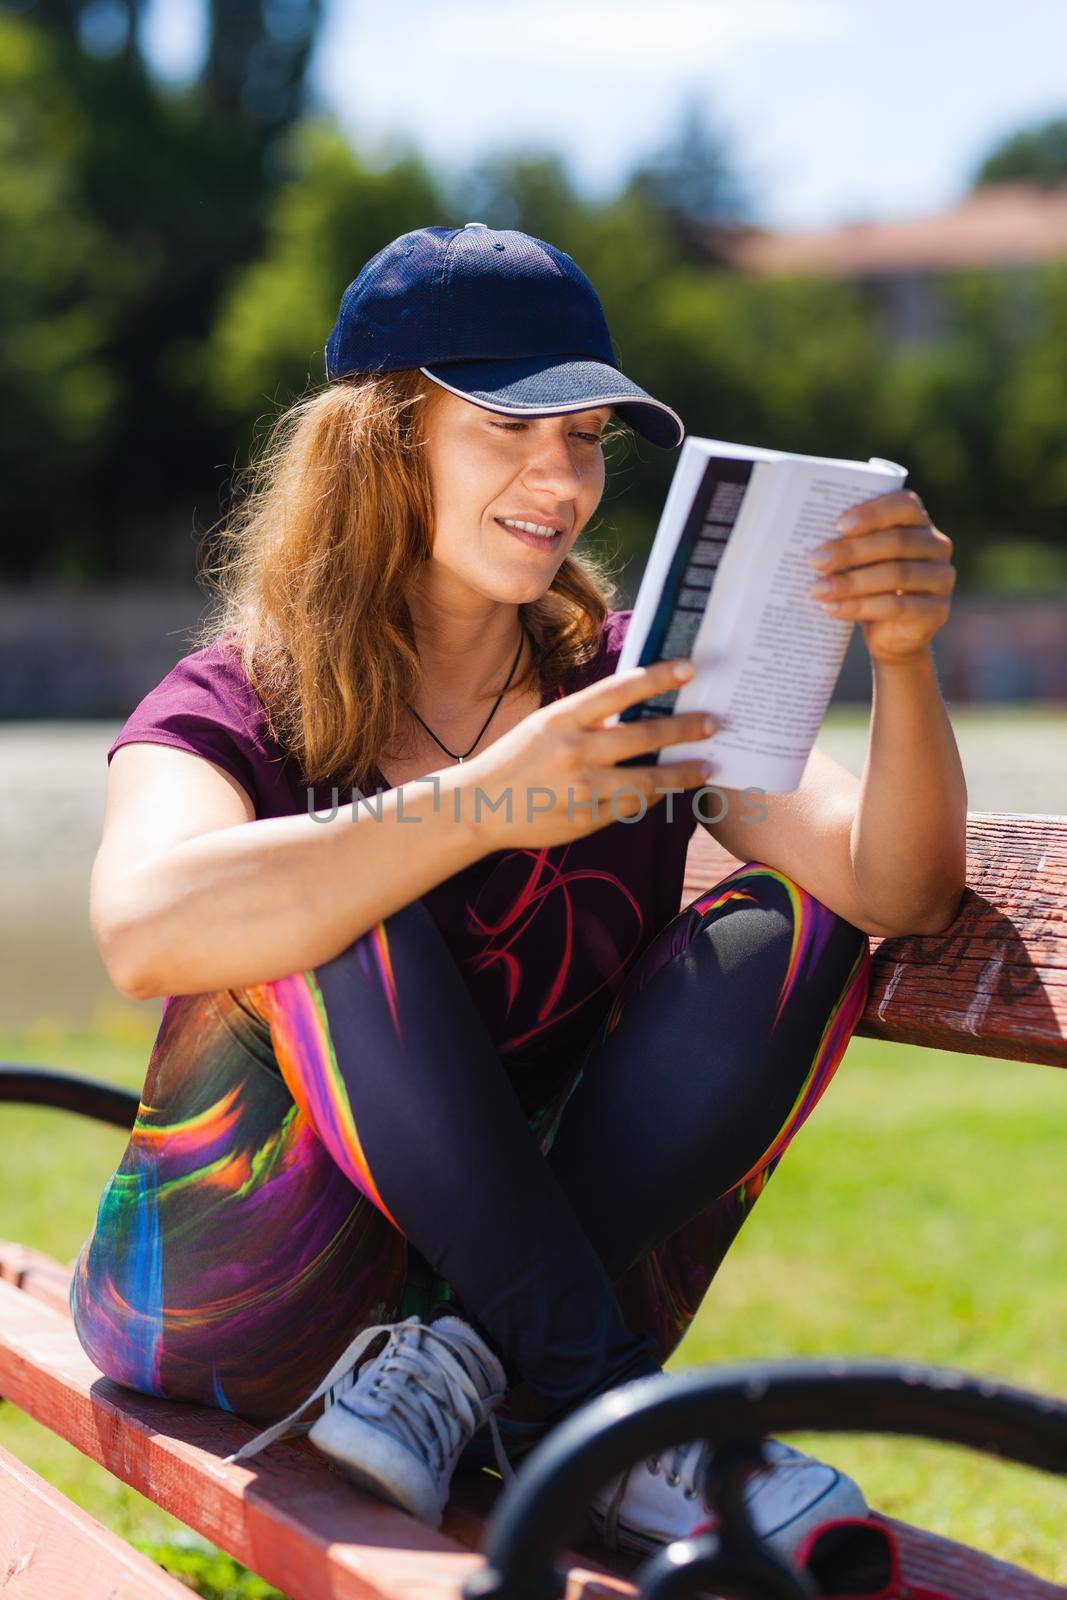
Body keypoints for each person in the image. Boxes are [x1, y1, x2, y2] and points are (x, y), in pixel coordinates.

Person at [71, 223, 967, 1558]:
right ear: (384, 439)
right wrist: (488, 801)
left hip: (479, 1357)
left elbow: (893, 886)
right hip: (236, 1300)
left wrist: (900, 658)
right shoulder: (241, 695)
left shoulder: (631, 686)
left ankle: (511, 1375)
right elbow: (143, 927)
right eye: (514, 427)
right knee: (328, 888)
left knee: (791, 921)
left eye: (592, 438)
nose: (566, 475)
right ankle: (608, 1411)